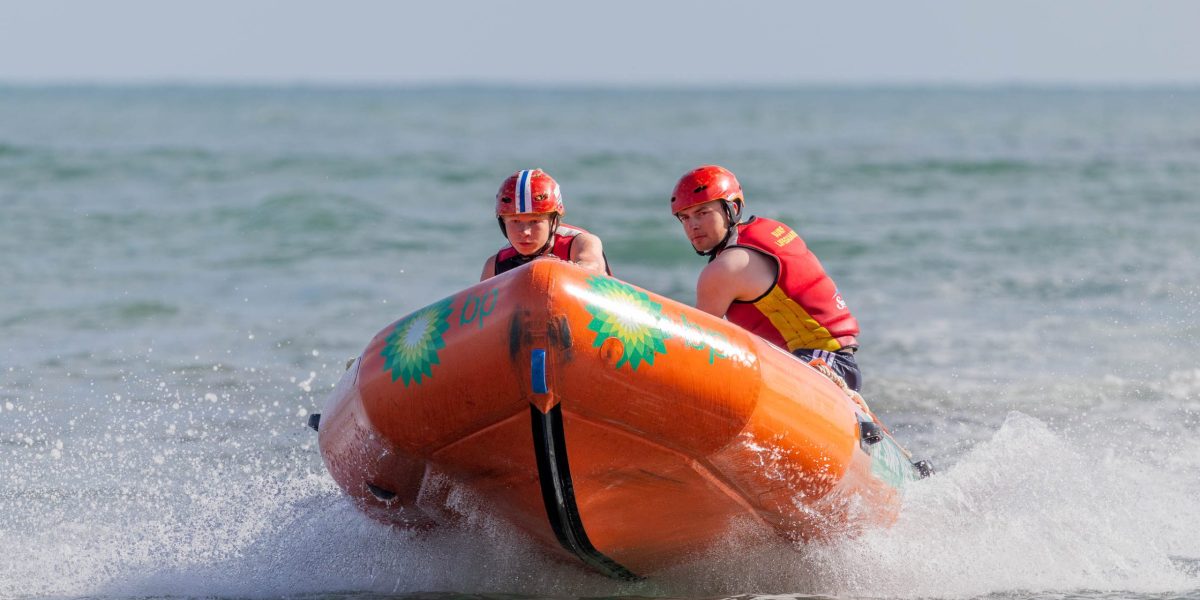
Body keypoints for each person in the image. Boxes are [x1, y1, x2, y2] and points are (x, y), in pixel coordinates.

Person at [670, 165, 863, 391]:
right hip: (840, 364)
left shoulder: (726, 268)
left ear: (732, 208)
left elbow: (696, 345)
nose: (693, 225)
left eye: (703, 213)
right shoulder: (770, 230)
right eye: (684, 217)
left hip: (820, 367)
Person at [481, 168, 610, 281]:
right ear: (503, 223)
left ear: (553, 222)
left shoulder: (581, 243)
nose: (525, 232)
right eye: (515, 221)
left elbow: (592, 269)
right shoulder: (495, 266)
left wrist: (550, 268)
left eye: (534, 221)